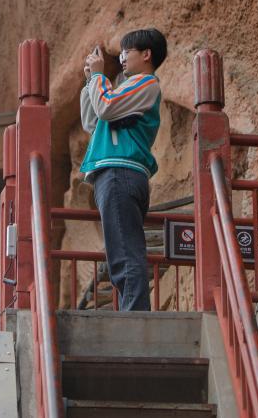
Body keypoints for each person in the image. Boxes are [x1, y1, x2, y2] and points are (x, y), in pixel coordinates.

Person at [80, 28, 167, 311]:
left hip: (120, 173)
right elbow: (93, 123)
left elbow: (105, 107)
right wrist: (90, 81)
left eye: (127, 52)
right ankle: (133, 310)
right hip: (118, 174)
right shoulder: (130, 90)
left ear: (146, 54)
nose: (122, 58)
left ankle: (134, 314)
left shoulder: (145, 83)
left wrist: (97, 77)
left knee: (125, 252)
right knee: (121, 250)